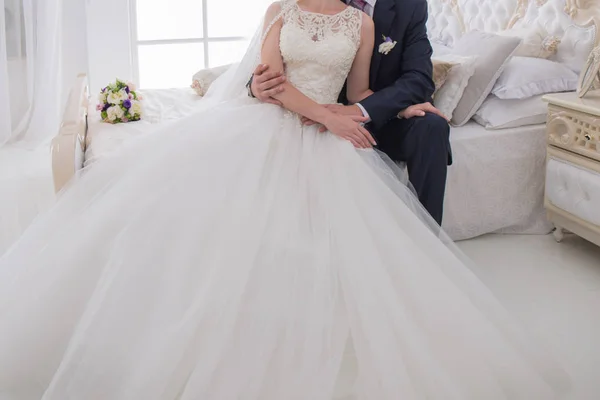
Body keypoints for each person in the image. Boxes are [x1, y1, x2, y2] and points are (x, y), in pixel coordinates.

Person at [0, 0, 570, 399]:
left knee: (342, 212)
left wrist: (392, 107)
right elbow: (267, 81)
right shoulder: (281, 11)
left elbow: (361, 91)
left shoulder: (365, 22)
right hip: (277, 122)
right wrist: (324, 114)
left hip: (333, 127)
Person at [250, 0, 451, 225]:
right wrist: (254, 86)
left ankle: (427, 237)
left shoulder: (399, 9)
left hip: (363, 115)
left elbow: (415, 79)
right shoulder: (283, 9)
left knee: (432, 126)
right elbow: (271, 71)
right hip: (302, 113)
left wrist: (399, 109)